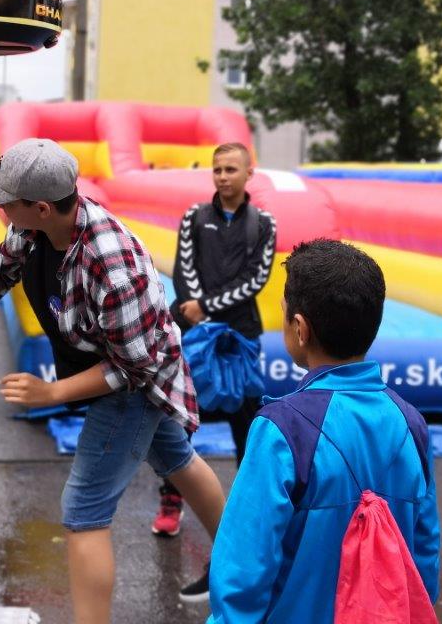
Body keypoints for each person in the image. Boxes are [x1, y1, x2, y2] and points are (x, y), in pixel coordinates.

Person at [0, 138, 227, 624]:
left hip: (135, 383)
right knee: (176, 459)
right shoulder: (35, 228)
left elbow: (133, 368)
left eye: (5, 201)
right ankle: (240, 565)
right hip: (112, 366)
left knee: (84, 509)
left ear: (40, 207)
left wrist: (52, 392)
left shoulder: (113, 265)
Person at [207, 239, 441, 623]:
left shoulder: (281, 429)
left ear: (300, 328)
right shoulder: (411, 423)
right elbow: (424, 558)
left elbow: (243, 573)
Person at [154, 142, 276, 601]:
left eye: (231, 169)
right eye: (217, 169)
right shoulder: (194, 216)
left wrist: (208, 306)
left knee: (247, 423)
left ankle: (246, 509)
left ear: (248, 173)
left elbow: (256, 279)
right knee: (179, 419)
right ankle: (171, 498)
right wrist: (195, 307)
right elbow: (183, 269)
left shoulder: (264, 223)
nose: (223, 176)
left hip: (239, 335)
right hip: (193, 330)